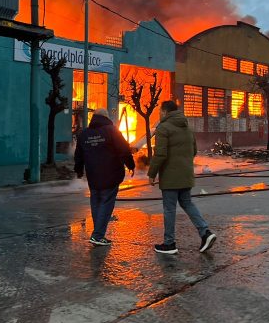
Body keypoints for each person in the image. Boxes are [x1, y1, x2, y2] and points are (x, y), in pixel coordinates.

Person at [148, 100, 216, 255]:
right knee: (187, 203)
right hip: (186, 175)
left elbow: (160, 154)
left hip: (171, 177)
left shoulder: (163, 128)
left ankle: (169, 243)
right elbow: (194, 150)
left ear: (164, 112)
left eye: (160, 111)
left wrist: (152, 173)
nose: (159, 114)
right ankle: (205, 232)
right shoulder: (187, 127)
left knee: (169, 209)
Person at [74, 108, 135, 246]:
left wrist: (78, 171)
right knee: (106, 204)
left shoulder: (84, 134)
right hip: (111, 174)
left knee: (96, 202)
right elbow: (124, 150)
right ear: (106, 117)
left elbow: (78, 155)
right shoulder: (112, 131)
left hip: (93, 175)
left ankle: (98, 233)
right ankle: (97, 235)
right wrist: (131, 165)